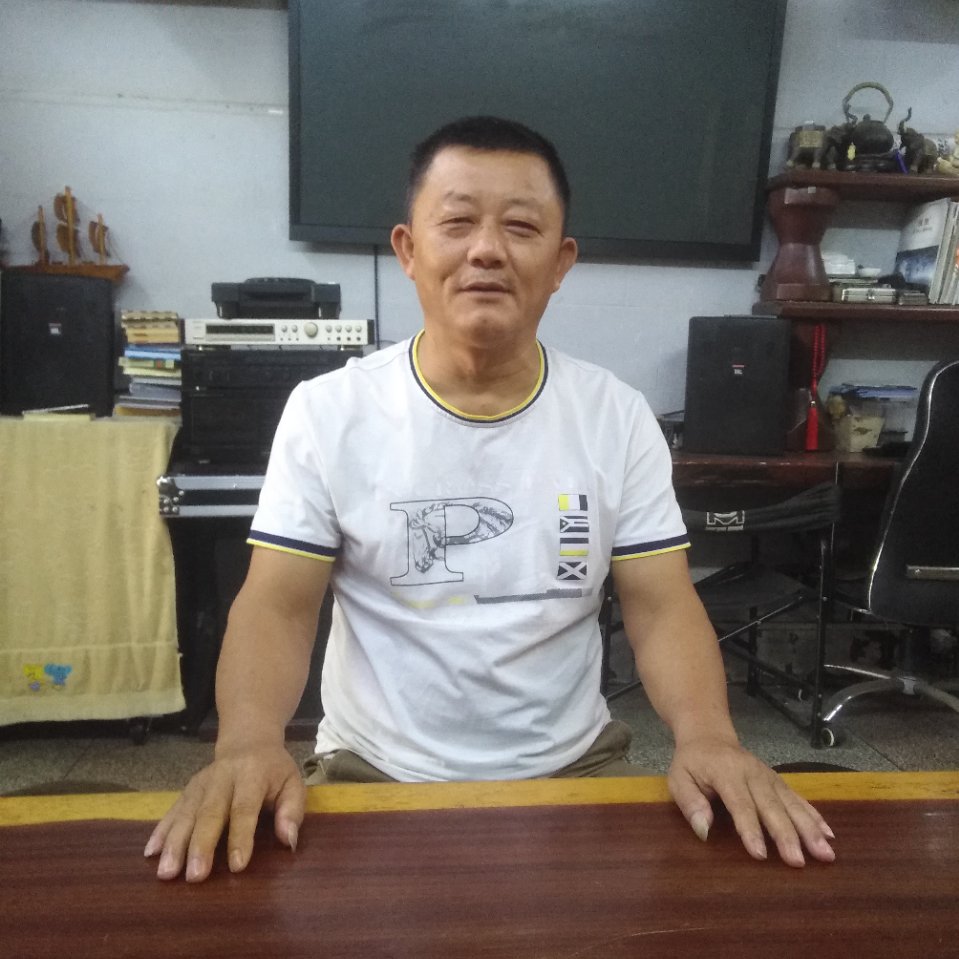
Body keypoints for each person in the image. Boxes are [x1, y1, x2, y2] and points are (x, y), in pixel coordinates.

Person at [145, 116, 836, 882]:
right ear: (408, 250)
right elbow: (277, 604)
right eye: (457, 222)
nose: (485, 249)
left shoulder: (615, 415)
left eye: (520, 227)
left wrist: (709, 738)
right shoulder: (328, 411)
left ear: (560, 262)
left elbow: (661, 603)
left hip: (572, 765)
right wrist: (246, 745)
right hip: (372, 768)